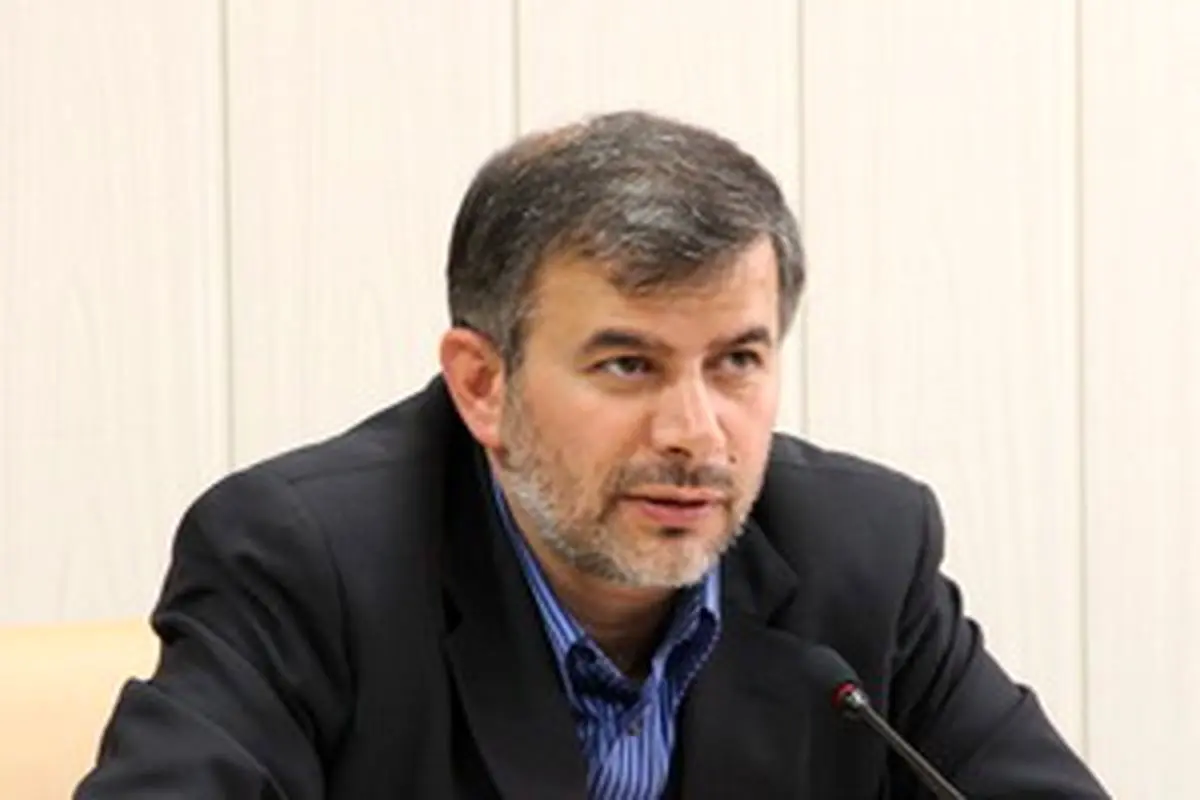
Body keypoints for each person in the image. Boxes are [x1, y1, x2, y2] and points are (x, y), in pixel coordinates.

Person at [75, 110, 1107, 799]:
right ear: (483, 384)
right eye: (627, 365)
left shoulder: (862, 552)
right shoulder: (308, 560)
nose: (695, 432)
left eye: (737, 361)